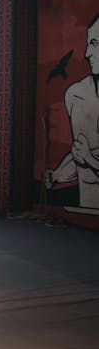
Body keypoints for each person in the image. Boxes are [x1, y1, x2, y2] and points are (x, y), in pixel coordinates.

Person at [46, 12, 99, 210]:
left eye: (94, 43)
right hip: (85, 209)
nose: (86, 53)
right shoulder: (76, 95)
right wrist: (57, 174)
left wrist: (90, 159)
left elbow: (88, 155)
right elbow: (80, 153)